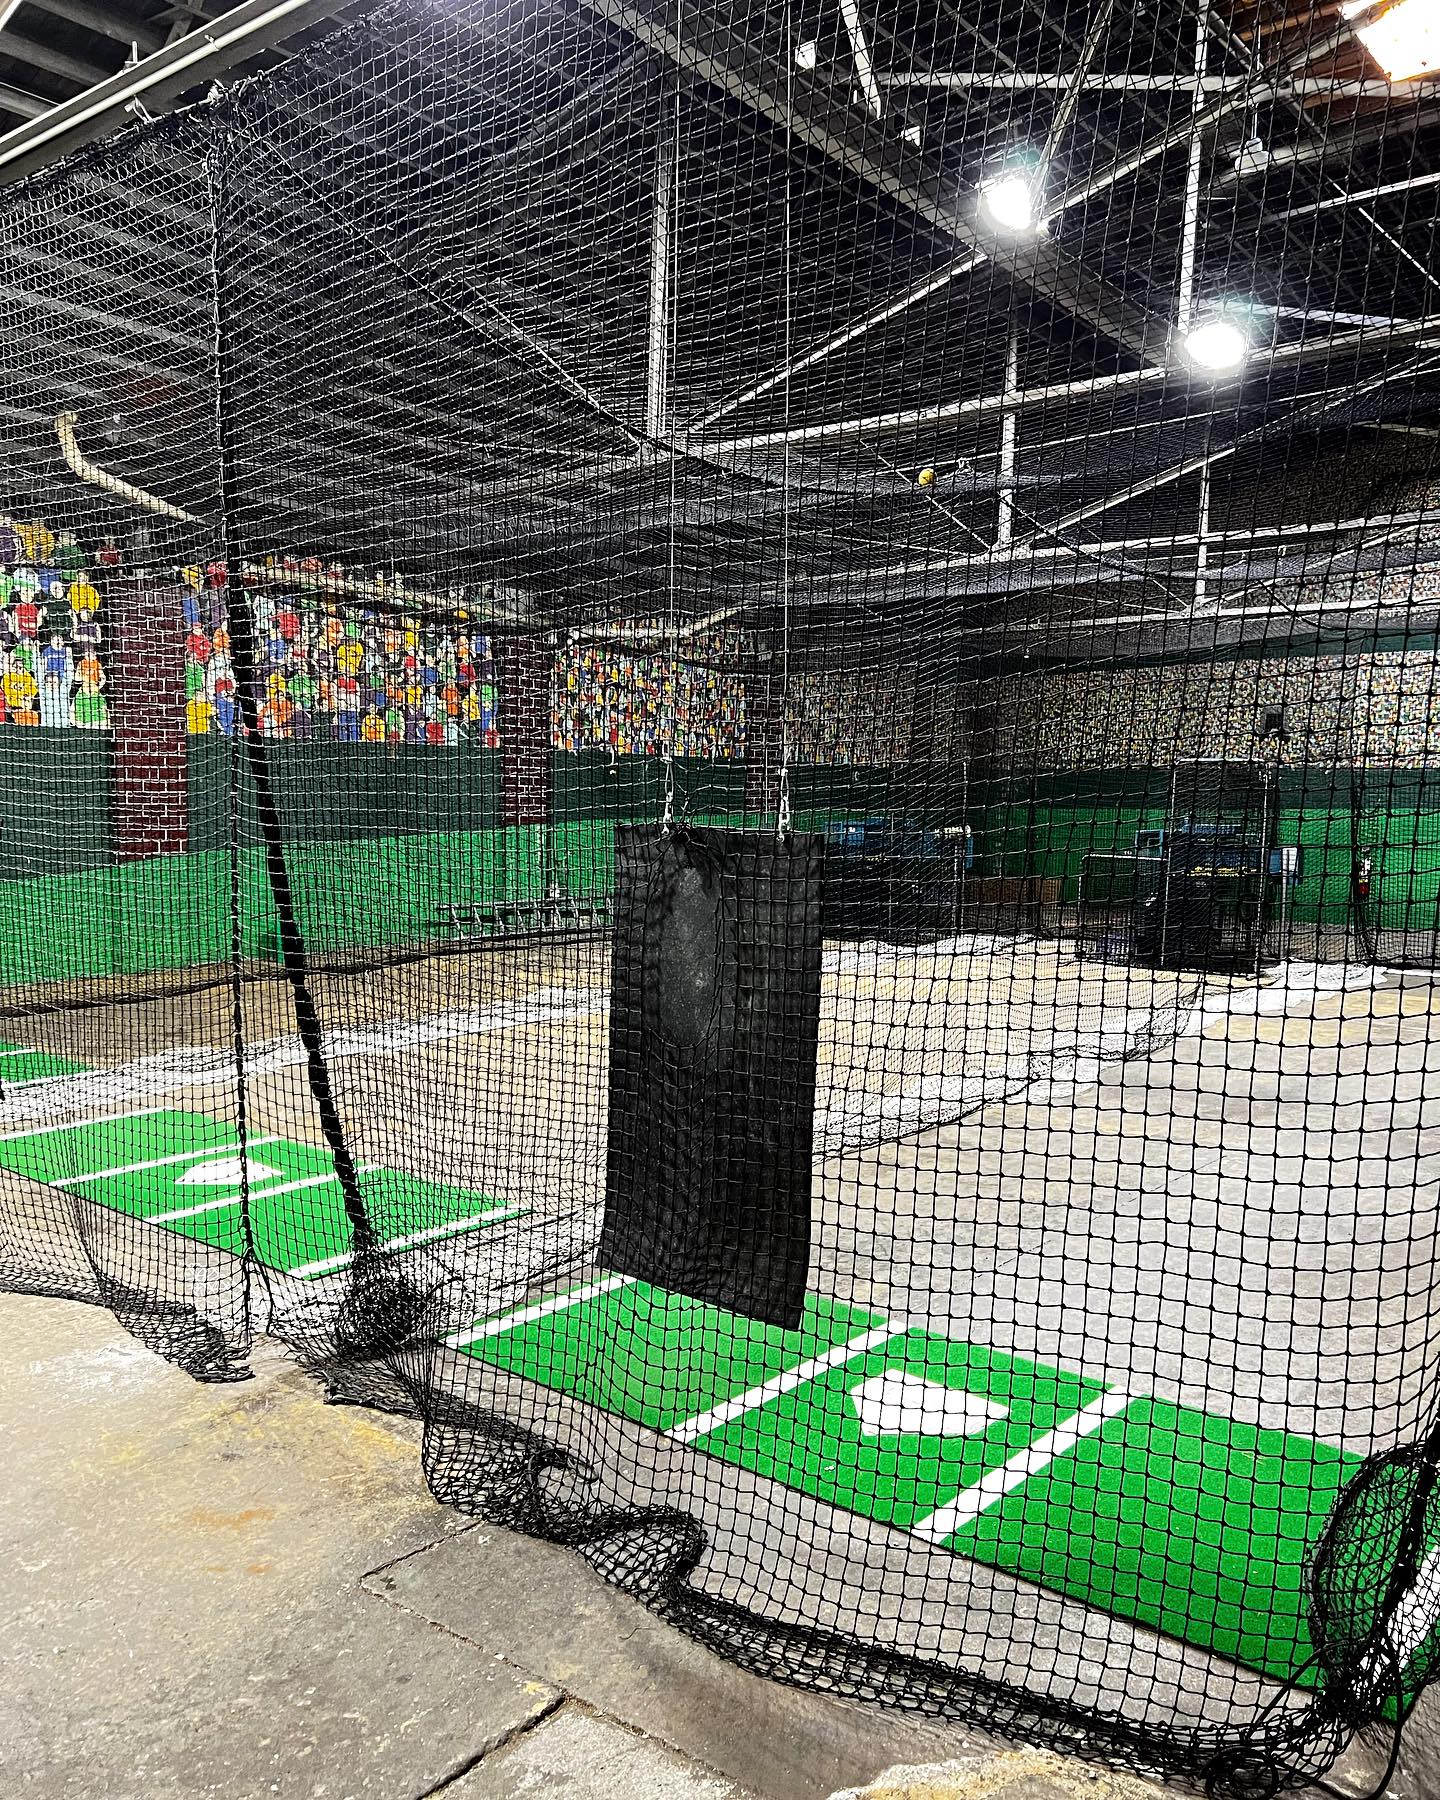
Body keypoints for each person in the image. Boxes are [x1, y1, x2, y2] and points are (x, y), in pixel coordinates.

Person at [38, 634, 73, 730]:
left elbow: (69, 676)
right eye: (49, 683)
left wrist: (69, 657)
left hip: (63, 726)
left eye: (53, 682)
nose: (51, 684)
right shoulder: (43, 693)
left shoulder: (63, 690)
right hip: (47, 727)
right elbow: (39, 675)